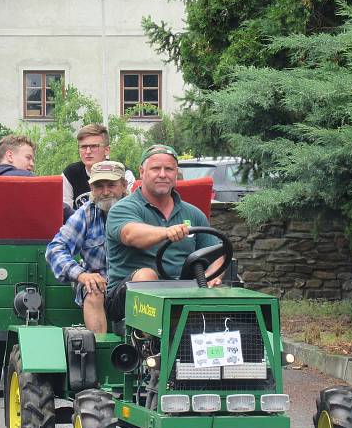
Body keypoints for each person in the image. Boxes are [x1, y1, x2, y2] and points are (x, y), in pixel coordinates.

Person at [104, 144, 225, 321]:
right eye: (155, 169)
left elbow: (216, 253)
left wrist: (211, 277)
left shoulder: (193, 213)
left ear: (176, 174)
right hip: (125, 298)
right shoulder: (123, 209)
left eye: (168, 169)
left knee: (222, 290)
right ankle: (150, 342)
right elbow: (131, 234)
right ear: (142, 172)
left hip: (183, 293)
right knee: (147, 276)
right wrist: (166, 232)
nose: (162, 174)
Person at [46, 161, 129, 333]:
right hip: (100, 285)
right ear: (91, 187)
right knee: (93, 290)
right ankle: (99, 352)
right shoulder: (86, 213)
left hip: (133, 283)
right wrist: (82, 275)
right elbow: (55, 249)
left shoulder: (137, 210)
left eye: (111, 185)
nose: (105, 192)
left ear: (124, 185)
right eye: (99, 186)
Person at [62, 123, 135, 210]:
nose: (88, 151)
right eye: (83, 147)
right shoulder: (71, 173)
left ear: (107, 150)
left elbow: (132, 207)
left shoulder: (122, 173)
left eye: (94, 146)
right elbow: (64, 210)